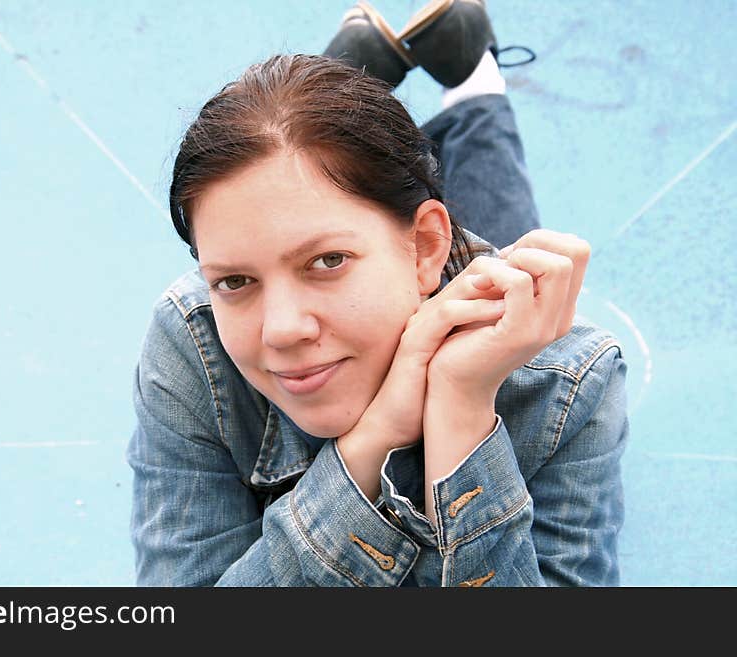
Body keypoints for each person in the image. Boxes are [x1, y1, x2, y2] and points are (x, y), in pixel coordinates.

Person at [126, 0, 629, 587]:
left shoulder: (568, 380)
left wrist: (461, 406)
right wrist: (371, 444)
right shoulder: (193, 336)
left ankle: (467, 79)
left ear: (424, 249)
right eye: (235, 280)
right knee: (295, 157)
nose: (282, 329)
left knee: (490, 238)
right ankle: (350, 99)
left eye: (327, 261)